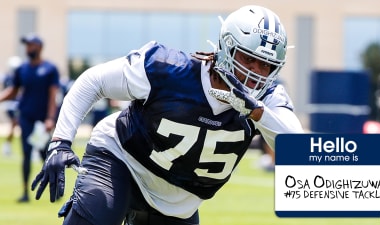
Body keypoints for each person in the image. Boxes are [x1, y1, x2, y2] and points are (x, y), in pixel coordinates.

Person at [31, 5, 303, 225]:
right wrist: (60, 141)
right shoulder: (169, 69)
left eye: (267, 65)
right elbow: (94, 80)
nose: (256, 72)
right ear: (226, 48)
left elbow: (296, 148)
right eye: (248, 58)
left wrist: (256, 111)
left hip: (179, 202)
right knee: (99, 213)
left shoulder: (268, 100)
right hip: (122, 159)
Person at [0, 33, 60, 203]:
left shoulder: (50, 69)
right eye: (26, 45)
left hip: (42, 120)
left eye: (31, 45)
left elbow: (52, 96)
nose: (28, 48)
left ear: (39, 47)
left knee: (44, 154)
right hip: (26, 117)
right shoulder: (22, 69)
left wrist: (50, 118)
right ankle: (26, 192)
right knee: (26, 153)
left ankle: (55, 188)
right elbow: (13, 91)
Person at [1, 56, 22, 156]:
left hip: (16, 104)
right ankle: (7, 146)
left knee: (16, 125)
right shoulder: (8, 77)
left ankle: (7, 146)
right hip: (11, 105)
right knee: (15, 123)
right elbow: (11, 91)